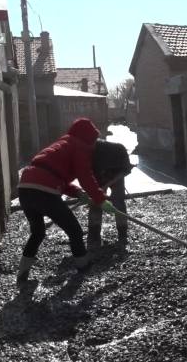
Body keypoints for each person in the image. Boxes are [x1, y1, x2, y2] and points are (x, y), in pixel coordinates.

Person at [17, 118, 118, 283]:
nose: (93, 145)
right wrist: (100, 199)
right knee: (74, 230)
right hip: (44, 191)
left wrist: (79, 193)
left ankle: (22, 274)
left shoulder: (63, 143)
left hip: (25, 187)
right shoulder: (80, 146)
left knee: (38, 232)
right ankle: (83, 266)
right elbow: (85, 176)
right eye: (93, 140)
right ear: (88, 137)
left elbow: (55, 175)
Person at [87, 139, 134, 249]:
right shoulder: (90, 154)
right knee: (95, 203)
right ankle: (94, 235)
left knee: (118, 202)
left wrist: (107, 184)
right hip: (96, 175)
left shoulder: (118, 151)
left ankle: (122, 234)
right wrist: (95, 191)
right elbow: (85, 175)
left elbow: (125, 171)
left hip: (117, 175)